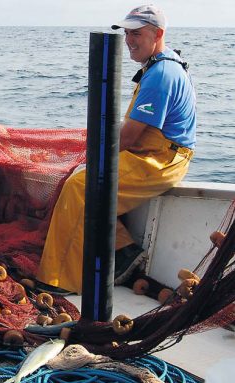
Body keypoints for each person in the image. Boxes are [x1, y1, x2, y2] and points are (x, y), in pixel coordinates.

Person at [36, 4, 196, 294]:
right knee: (86, 177)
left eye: (136, 33)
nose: (129, 40)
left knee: (81, 186)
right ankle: (124, 254)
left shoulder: (161, 75)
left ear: (158, 34)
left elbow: (130, 138)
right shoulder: (160, 65)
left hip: (159, 160)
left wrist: (91, 161)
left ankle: (61, 280)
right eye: (126, 33)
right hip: (150, 154)